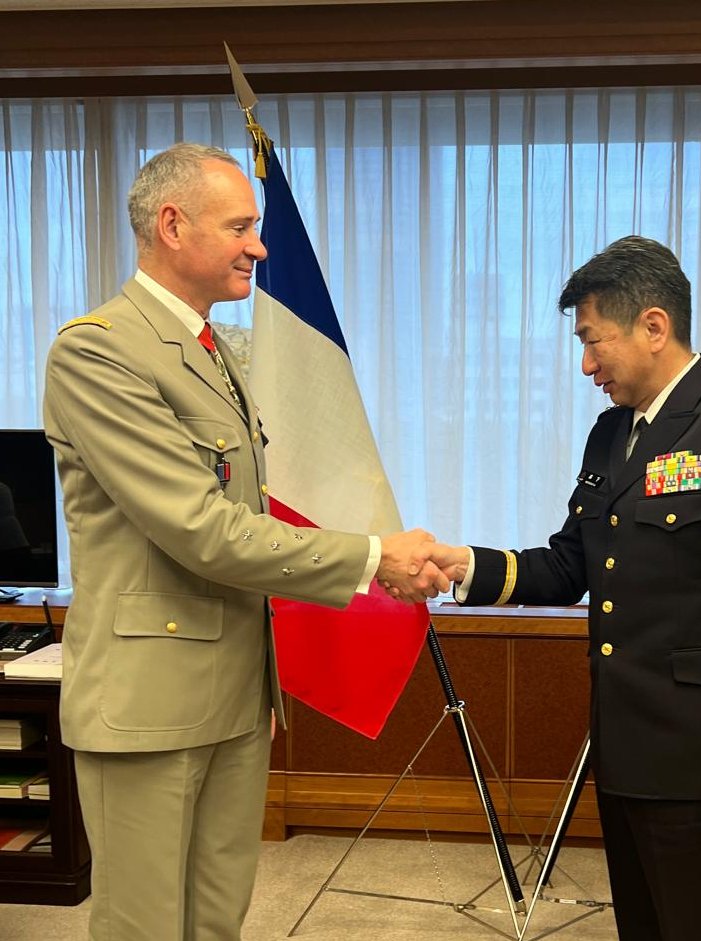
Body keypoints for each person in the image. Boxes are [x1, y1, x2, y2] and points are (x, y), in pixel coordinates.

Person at [42, 143, 448, 941]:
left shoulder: (219, 351)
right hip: (148, 700)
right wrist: (373, 557)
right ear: (171, 225)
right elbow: (199, 527)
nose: (258, 247)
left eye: (257, 228)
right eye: (240, 227)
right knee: (143, 926)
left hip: (231, 690)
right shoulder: (97, 351)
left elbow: (247, 504)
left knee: (216, 920)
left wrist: (253, 679)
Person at [409, 236, 701, 941]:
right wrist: (461, 562)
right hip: (624, 749)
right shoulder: (611, 435)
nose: (586, 363)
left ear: (654, 327)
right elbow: (571, 565)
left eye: (595, 340)